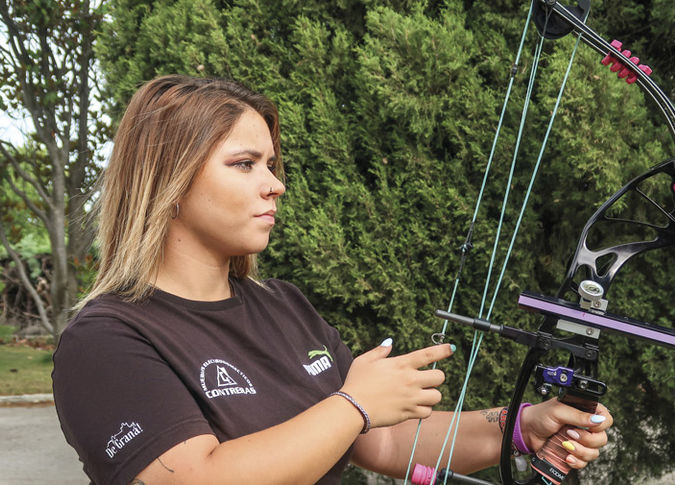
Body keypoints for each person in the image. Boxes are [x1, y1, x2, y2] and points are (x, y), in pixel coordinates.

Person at [52, 75, 612, 485]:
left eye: (272, 165)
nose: (275, 186)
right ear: (167, 180)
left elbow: (383, 441)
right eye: (245, 164)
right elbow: (195, 477)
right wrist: (352, 403)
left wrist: (521, 427)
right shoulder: (105, 341)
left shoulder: (284, 306)